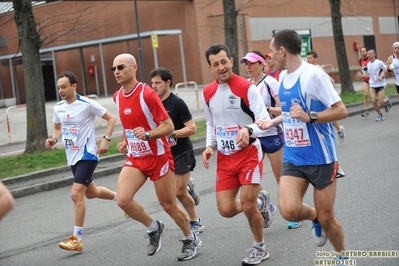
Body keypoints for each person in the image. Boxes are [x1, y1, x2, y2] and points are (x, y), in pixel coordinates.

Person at [256, 29, 348, 262]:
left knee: (329, 219)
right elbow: (290, 112)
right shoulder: (283, 77)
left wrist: (311, 116)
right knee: (289, 210)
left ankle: (343, 255)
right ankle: (315, 217)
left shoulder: (313, 75)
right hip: (294, 157)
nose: (270, 56)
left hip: (321, 157)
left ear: (283, 51)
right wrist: (273, 121)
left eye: (272, 50)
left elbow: (341, 110)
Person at [112, 53, 201, 261]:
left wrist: (149, 134)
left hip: (159, 156)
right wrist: (127, 140)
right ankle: (154, 228)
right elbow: (129, 124)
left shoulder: (147, 94)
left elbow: (168, 126)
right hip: (136, 157)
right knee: (123, 200)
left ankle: (190, 238)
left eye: (121, 67)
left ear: (133, 68)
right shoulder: (117, 97)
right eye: (113, 69)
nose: (116, 71)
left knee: (168, 205)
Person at [202, 43, 272, 265]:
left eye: (224, 61)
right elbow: (211, 123)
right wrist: (209, 145)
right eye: (216, 64)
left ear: (231, 61)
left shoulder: (247, 88)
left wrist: (248, 129)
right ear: (210, 67)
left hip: (249, 153)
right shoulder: (207, 92)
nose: (221, 67)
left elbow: (265, 122)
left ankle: (259, 248)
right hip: (224, 157)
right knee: (225, 209)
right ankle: (261, 201)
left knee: (247, 205)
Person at [45, 71, 117, 252]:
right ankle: (121, 199)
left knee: (76, 194)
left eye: (64, 87)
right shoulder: (58, 107)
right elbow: (57, 127)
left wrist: (106, 139)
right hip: (72, 156)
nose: (60, 90)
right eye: (59, 87)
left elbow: (111, 118)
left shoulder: (87, 104)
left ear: (74, 86)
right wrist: (53, 139)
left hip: (88, 154)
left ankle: (76, 239)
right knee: (91, 193)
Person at [240, 50, 300, 230]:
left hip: (272, 134)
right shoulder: (246, 85)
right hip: (254, 135)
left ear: (261, 64)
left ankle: (292, 212)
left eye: (252, 63)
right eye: (246, 63)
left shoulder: (271, 83)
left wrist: (265, 110)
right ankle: (269, 205)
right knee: (251, 178)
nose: (248, 66)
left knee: (280, 176)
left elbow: (285, 109)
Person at [150, 67, 204, 235]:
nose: (154, 86)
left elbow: (192, 128)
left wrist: (170, 132)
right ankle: (189, 186)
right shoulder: (152, 103)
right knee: (173, 193)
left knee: (179, 192)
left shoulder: (177, 103)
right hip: (165, 154)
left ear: (168, 83)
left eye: (157, 83)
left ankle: (195, 221)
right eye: (152, 83)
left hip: (182, 151)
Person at [306, 50, 345, 142]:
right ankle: (338, 130)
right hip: (313, 97)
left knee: (327, 115)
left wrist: (328, 84)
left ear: (316, 59)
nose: (308, 60)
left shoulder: (319, 69)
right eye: (307, 58)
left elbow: (329, 79)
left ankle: (338, 130)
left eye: (310, 58)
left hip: (322, 97)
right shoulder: (307, 69)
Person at [362, 49, 392, 122]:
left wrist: (382, 77)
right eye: (368, 54)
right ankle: (380, 115)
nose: (369, 55)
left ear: (374, 54)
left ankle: (387, 100)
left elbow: (386, 70)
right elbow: (369, 75)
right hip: (372, 84)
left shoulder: (379, 62)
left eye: (370, 53)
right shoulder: (368, 64)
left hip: (380, 84)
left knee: (381, 102)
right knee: (374, 101)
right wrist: (361, 75)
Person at [356, 46, 371, 117]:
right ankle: (366, 110)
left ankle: (385, 101)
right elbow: (362, 69)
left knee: (376, 96)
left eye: (364, 51)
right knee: (365, 94)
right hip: (365, 80)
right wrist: (360, 73)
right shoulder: (360, 60)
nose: (362, 53)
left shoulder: (370, 59)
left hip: (373, 80)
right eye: (361, 51)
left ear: (367, 52)